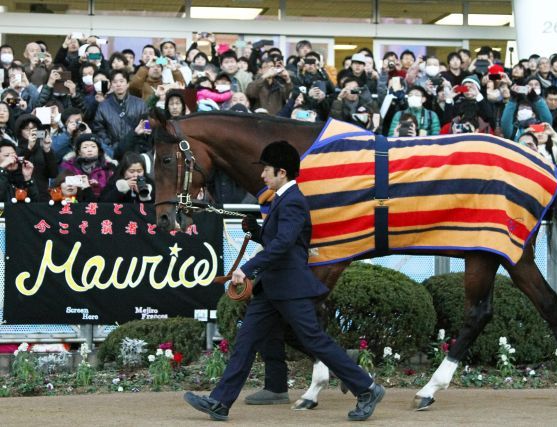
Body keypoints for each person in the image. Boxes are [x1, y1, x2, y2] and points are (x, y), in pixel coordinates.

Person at [183, 141, 384, 422]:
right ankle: (220, 402)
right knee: (245, 342)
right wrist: (256, 232)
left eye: (266, 170)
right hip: (272, 289)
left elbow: (284, 244)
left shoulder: (293, 202)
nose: (262, 175)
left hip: (289, 287)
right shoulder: (282, 200)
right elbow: (277, 240)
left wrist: (247, 268)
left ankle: (368, 388)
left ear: (282, 172)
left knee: (316, 341)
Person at [92, 69, 147, 158]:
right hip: (113, 151)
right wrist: (109, 145)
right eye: (115, 82)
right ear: (111, 85)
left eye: (121, 81)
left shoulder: (141, 103)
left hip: (136, 150)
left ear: (128, 84)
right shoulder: (103, 105)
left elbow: (146, 126)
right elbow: (99, 128)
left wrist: (141, 146)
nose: (118, 84)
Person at [57, 133, 116, 200]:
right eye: (85, 147)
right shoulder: (68, 166)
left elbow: (111, 192)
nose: (89, 150)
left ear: (99, 150)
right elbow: (61, 187)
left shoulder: (109, 167)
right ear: (79, 151)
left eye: (93, 146)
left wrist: (97, 187)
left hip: (101, 206)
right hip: (75, 205)